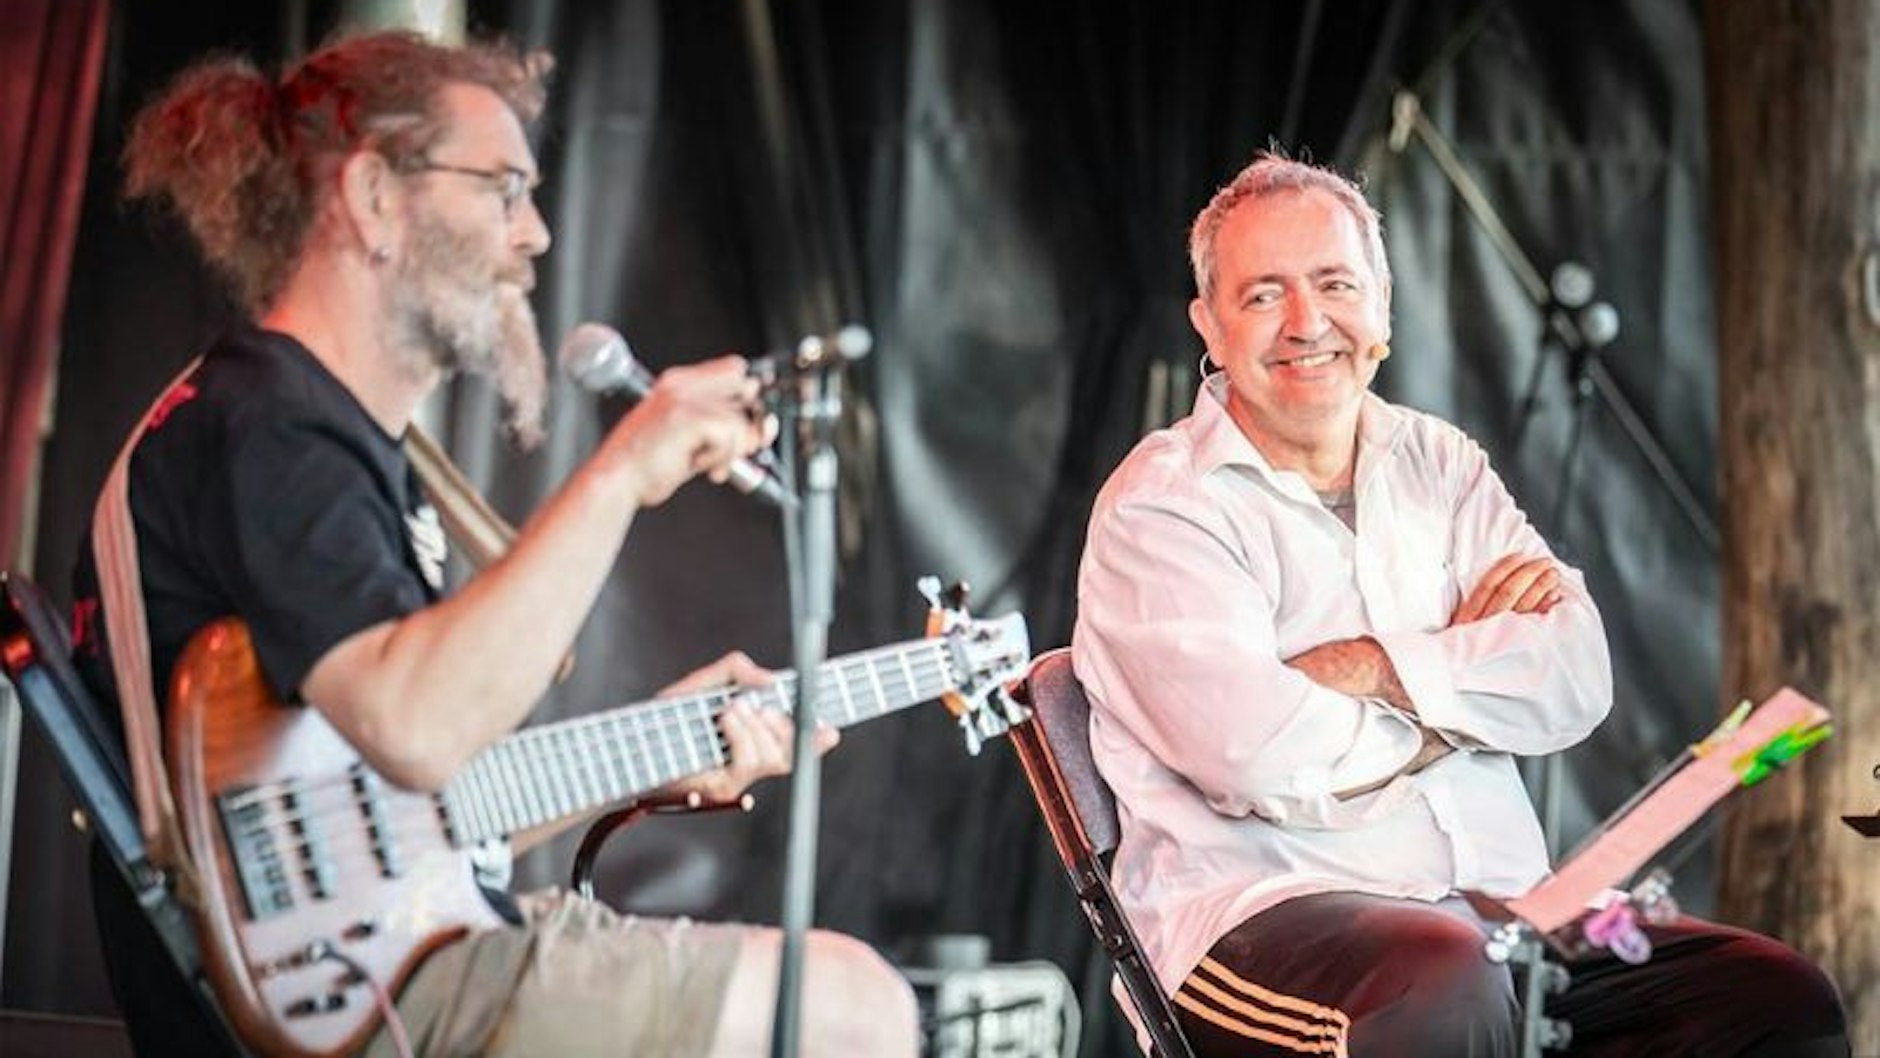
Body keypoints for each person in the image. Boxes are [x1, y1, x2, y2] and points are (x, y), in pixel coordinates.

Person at [70, 31, 916, 1057]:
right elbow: (415, 727)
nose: (537, 235)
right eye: (503, 188)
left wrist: (649, 749)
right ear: (375, 195)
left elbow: (394, 816)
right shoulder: (270, 430)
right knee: (853, 1005)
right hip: (351, 1012)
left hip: (369, 978)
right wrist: (623, 472)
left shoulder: (303, 431)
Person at [1070, 152, 1848, 1057]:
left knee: (1771, 997)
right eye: (1262, 295)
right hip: (1260, 919)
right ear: (1210, 325)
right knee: (1445, 983)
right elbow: (1256, 758)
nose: (1306, 323)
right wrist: (1467, 701)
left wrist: (1375, 670)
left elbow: (1575, 676)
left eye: (1334, 285)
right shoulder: (1162, 506)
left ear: (1384, 309)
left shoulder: (1438, 461)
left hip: (1509, 911)